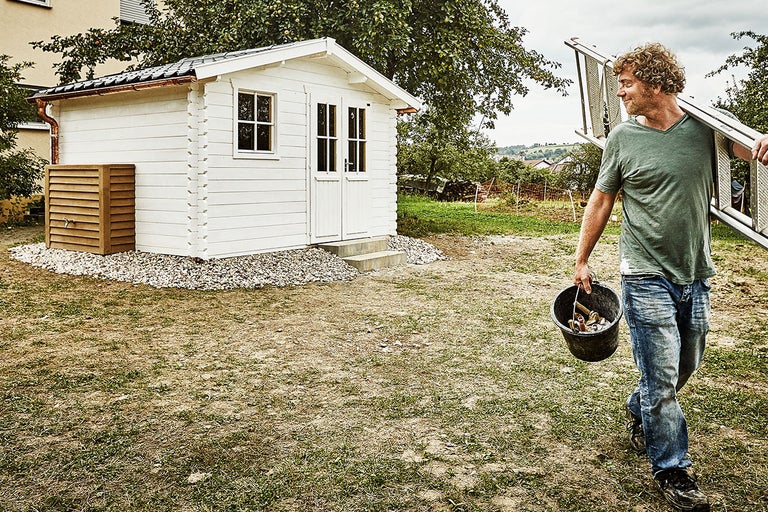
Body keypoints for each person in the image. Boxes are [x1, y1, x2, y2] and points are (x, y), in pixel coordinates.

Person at [573, 42, 768, 512]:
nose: (619, 91)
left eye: (627, 83)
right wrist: (582, 259)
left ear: (656, 84)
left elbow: (749, 150)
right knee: (660, 374)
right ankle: (673, 469)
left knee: (686, 364)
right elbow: (601, 200)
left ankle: (639, 408)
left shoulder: (704, 128)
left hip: (695, 269)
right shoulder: (622, 137)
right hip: (642, 272)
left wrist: (763, 139)